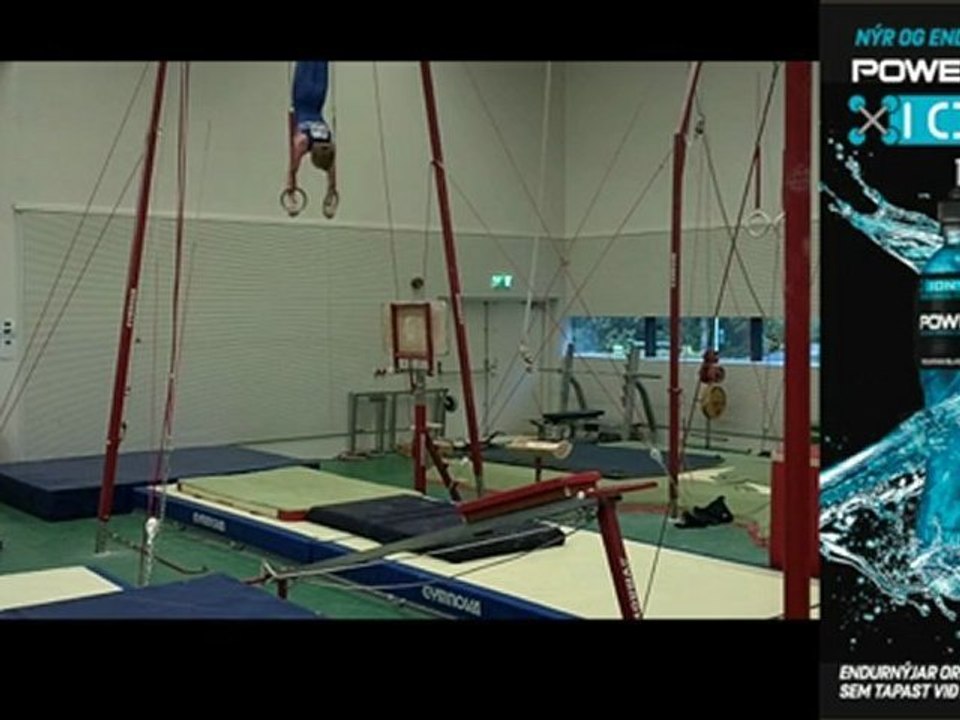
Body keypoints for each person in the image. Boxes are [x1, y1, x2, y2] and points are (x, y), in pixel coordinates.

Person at [290, 60, 339, 218]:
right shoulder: (303, 143)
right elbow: (293, 171)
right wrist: (291, 193)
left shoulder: (328, 143)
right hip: (302, 96)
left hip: (319, 95)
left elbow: (332, 176)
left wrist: (331, 193)